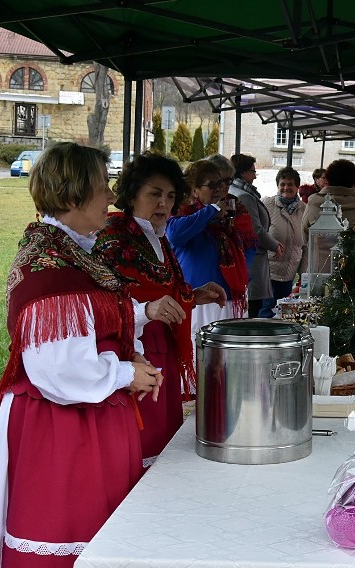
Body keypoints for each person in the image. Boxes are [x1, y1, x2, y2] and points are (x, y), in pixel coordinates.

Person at [0, 142, 165, 568]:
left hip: (88, 419)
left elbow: (94, 319)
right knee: (70, 539)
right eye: (102, 187)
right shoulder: (51, 267)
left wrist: (133, 346)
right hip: (63, 426)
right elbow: (59, 368)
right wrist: (123, 373)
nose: (111, 196)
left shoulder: (69, 252)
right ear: (74, 195)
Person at [93, 152, 227, 465]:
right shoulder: (114, 235)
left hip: (161, 344)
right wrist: (146, 310)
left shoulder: (157, 236)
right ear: (131, 194)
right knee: (143, 435)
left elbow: (161, 291)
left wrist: (193, 295)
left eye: (169, 195)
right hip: (134, 347)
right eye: (154, 194)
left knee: (162, 434)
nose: (163, 203)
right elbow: (102, 299)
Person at [167, 159, 250, 341]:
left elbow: (249, 243)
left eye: (221, 183)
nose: (219, 189)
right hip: (201, 298)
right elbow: (175, 235)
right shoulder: (185, 212)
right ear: (195, 190)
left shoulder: (227, 210)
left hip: (230, 296)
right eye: (212, 185)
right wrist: (210, 211)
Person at [230, 153, 284, 318]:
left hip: (249, 256)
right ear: (243, 173)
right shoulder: (244, 195)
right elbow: (256, 229)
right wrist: (274, 244)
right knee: (253, 308)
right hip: (252, 257)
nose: (255, 176)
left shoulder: (238, 191)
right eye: (253, 172)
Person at [260, 167, 307, 317]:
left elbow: (306, 245)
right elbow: (257, 233)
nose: (286, 187)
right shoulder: (267, 204)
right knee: (267, 311)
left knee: (284, 313)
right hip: (269, 271)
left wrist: (303, 274)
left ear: (297, 187)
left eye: (290, 184)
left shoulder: (304, 210)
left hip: (290, 272)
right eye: (283, 184)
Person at [303, 159, 355, 244]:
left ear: (328, 179)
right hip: (354, 257)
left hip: (318, 256)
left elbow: (305, 234)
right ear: (354, 181)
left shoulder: (314, 202)